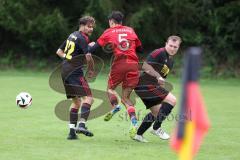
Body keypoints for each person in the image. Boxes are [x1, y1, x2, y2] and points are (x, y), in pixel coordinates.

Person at [88, 11, 143, 138]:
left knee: (110, 89)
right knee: (126, 98)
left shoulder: (109, 31)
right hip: (133, 65)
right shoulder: (130, 30)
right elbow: (140, 49)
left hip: (120, 64)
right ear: (121, 22)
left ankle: (115, 105)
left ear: (111, 21)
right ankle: (134, 121)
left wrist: (89, 46)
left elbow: (94, 48)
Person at [133, 35, 182, 142]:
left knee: (157, 112)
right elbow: (145, 67)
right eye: (171, 45)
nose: (172, 48)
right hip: (144, 84)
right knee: (172, 100)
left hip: (148, 86)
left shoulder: (170, 61)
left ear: (178, 47)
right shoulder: (159, 52)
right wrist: (157, 76)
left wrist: (160, 81)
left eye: (175, 47)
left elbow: (162, 78)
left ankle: (138, 135)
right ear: (166, 44)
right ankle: (156, 128)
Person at [56, 16, 95, 140]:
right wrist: (91, 70)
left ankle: (72, 132)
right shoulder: (82, 38)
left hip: (64, 71)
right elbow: (88, 56)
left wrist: (69, 59)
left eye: (92, 27)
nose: (91, 29)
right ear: (82, 25)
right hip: (74, 73)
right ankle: (82, 124)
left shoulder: (72, 35)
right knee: (89, 98)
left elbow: (59, 51)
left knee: (76, 102)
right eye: (89, 26)